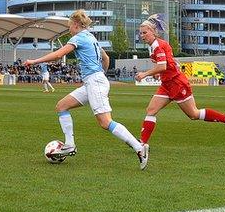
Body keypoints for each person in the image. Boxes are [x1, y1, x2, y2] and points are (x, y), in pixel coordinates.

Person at [24, 9, 148, 170]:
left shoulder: (79, 37)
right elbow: (106, 58)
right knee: (62, 106)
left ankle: (139, 148)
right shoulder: (91, 37)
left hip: (94, 82)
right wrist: (100, 75)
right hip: (93, 81)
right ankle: (69, 145)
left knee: (105, 122)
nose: (69, 29)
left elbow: (57, 55)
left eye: (69, 26)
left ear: (75, 24)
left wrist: (34, 61)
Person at [135, 15, 225, 147]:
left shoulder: (157, 46)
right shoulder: (153, 46)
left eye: (145, 32)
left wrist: (145, 74)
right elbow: (164, 65)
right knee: (151, 110)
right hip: (167, 84)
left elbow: (163, 66)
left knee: (193, 114)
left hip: (177, 83)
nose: (142, 35)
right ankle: (142, 144)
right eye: (141, 33)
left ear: (153, 32)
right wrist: (158, 74)